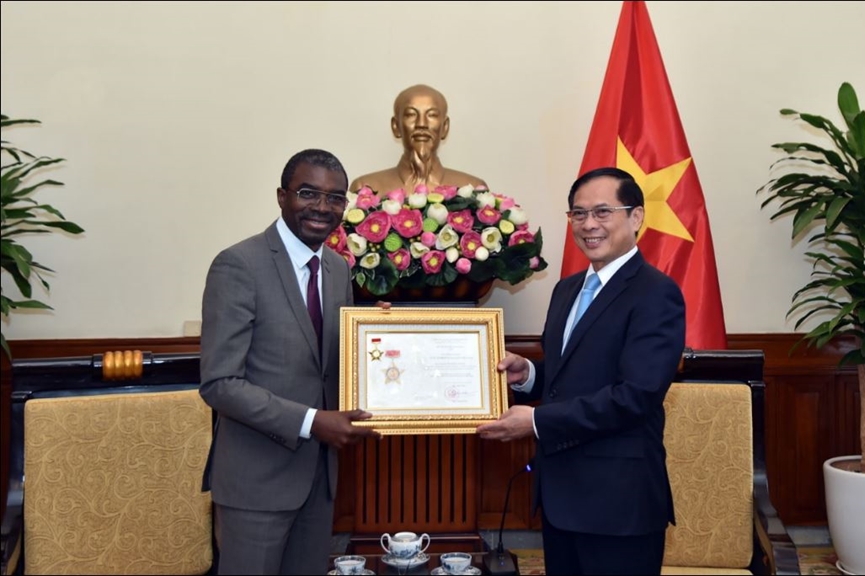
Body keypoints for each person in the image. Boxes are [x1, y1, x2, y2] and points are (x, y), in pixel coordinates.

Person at [477, 167, 686, 575]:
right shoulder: (567, 289)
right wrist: (529, 374)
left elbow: (636, 396)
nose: (589, 224)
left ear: (636, 217)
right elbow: (571, 374)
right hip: (560, 497)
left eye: (603, 212)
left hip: (618, 505)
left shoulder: (656, 293)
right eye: (578, 213)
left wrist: (536, 421)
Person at [199, 148, 381, 575]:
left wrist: (380, 333)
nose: (322, 207)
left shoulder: (337, 269)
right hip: (257, 481)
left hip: (319, 478)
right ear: (282, 196)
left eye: (335, 198)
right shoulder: (239, 265)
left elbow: (332, 362)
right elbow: (220, 383)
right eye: (308, 193)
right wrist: (311, 422)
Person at [350, 84, 488, 193]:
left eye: (432, 115)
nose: (421, 124)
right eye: (411, 114)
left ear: (445, 127)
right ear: (396, 126)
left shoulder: (473, 189)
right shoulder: (365, 189)